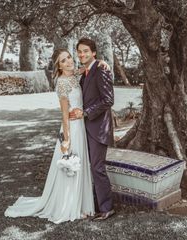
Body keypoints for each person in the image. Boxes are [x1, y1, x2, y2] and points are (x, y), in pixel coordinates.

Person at [4, 49, 109, 223]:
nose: (68, 61)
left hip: (81, 126)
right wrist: (66, 138)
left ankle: (82, 204)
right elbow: (64, 114)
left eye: (69, 57)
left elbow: (89, 65)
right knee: (71, 165)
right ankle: (68, 205)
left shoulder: (74, 74)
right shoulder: (61, 82)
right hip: (72, 128)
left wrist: (102, 61)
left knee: (80, 164)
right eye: (63, 61)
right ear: (59, 67)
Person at [69, 38, 115, 221]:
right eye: (79, 51)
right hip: (84, 128)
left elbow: (108, 100)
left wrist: (86, 113)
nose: (82, 54)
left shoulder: (101, 69)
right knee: (89, 168)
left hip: (98, 128)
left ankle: (107, 207)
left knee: (97, 167)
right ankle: (93, 203)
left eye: (86, 51)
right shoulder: (86, 72)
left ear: (94, 52)